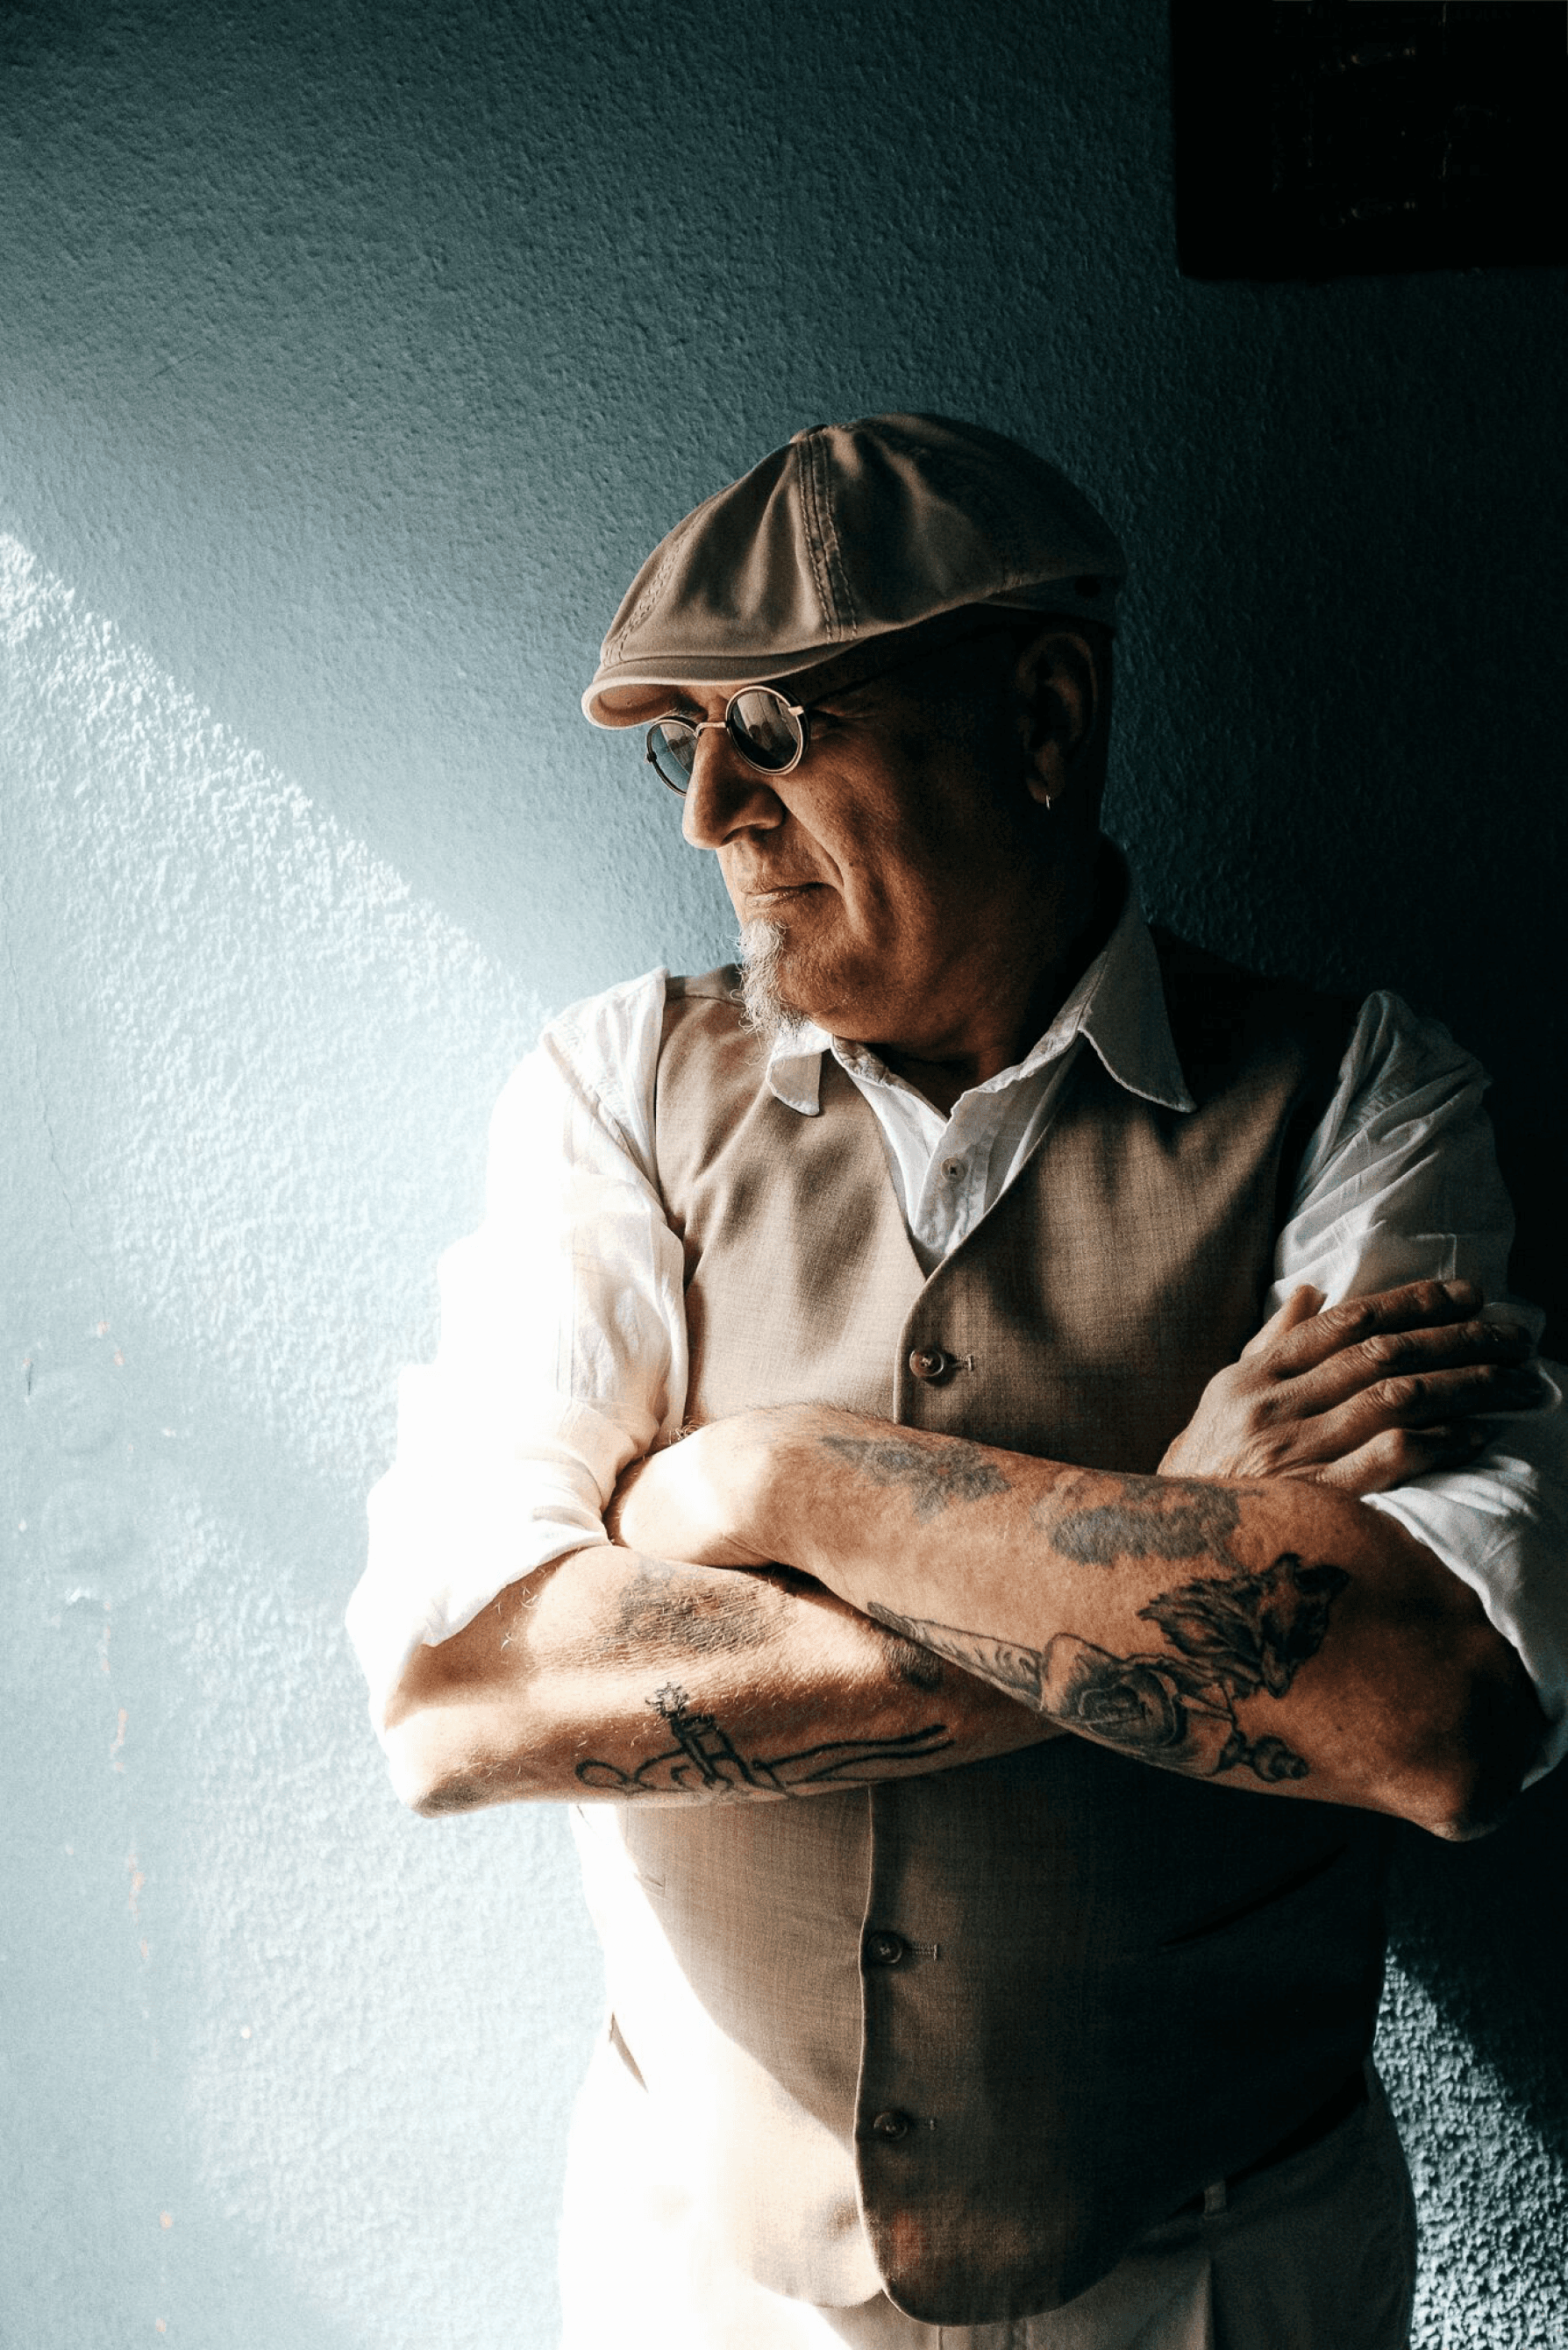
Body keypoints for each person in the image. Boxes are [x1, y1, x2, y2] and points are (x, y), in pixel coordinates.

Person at [346, 415, 1568, 2349]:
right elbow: (464, 1696)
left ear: (1045, 714)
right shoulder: (617, 1092)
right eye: (688, 742)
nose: (708, 813)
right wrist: (1173, 1528)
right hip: (710, 2280)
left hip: (1221, 2280)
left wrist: (773, 1481)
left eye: (775, 724)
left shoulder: (1362, 1099)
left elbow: (1430, 1711)